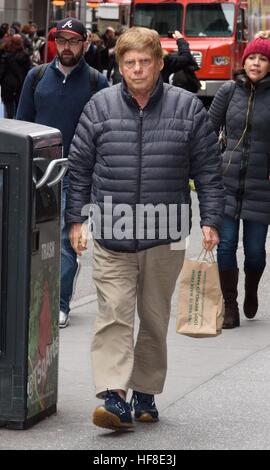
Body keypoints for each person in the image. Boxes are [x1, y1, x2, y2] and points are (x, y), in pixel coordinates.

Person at [66, 26, 224, 431]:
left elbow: (207, 170)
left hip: (164, 234)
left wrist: (210, 220)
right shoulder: (99, 107)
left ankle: (146, 390)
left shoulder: (187, 109)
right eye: (129, 62)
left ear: (158, 64)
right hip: (111, 234)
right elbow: (80, 168)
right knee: (113, 315)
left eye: (144, 61)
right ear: (120, 65)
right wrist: (76, 220)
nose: (137, 69)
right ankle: (115, 397)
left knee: (153, 318)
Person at [16, 17, 108, 328]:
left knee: (67, 241)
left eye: (73, 41)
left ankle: (60, 303)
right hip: (38, 171)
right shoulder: (37, 75)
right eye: (61, 40)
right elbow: (22, 122)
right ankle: (35, 298)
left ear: (85, 44)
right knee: (36, 240)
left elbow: (106, 131)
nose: (66, 46)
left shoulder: (97, 82)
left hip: (77, 173)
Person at [209, 37, 270, 329]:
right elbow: (208, 129)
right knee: (225, 247)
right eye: (252, 58)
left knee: (256, 252)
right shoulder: (228, 91)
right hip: (227, 183)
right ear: (243, 61)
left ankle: (251, 289)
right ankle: (229, 304)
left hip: (262, 185)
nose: (256, 63)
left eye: (263, 59)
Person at [0, 34, 31, 118]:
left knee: (8, 105)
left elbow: (2, 71)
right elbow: (28, 71)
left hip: (7, 84)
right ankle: (17, 120)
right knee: (19, 104)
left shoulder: (6, 55)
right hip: (21, 84)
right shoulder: (26, 56)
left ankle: (9, 120)